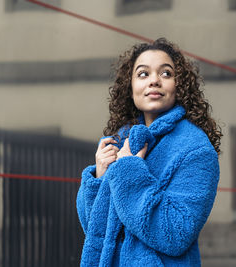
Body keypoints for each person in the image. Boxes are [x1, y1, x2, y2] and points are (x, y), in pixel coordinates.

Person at [76, 38, 222, 266]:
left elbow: (176, 234)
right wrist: (100, 177)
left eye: (166, 73)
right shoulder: (123, 141)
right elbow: (97, 232)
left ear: (180, 85)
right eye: (143, 74)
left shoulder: (196, 149)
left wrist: (128, 173)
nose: (154, 80)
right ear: (130, 87)